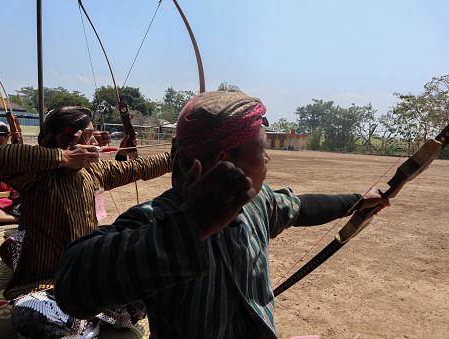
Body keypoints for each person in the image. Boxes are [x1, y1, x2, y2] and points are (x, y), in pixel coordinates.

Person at [54, 91, 391, 338]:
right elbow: (71, 286)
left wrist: (359, 199)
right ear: (223, 164)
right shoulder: (156, 218)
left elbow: (300, 206)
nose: (268, 160)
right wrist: (192, 226)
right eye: (261, 150)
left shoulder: (257, 204)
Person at [0, 106, 172, 338]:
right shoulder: (35, 175)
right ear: (67, 136)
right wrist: (63, 157)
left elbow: (140, 167)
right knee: (32, 315)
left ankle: (82, 322)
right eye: (90, 133)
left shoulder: (93, 172)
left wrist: (176, 157)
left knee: (145, 289)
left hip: (88, 277)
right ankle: (84, 321)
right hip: (46, 284)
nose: (96, 139)